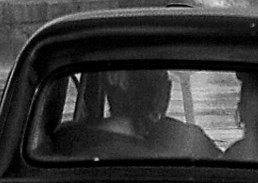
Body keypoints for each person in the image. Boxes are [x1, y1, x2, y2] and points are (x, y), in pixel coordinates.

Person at [57, 68, 219, 160]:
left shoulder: (64, 141)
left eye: (164, 75)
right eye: (156, 73)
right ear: (116, 76)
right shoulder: (188, 141)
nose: (164, 83)